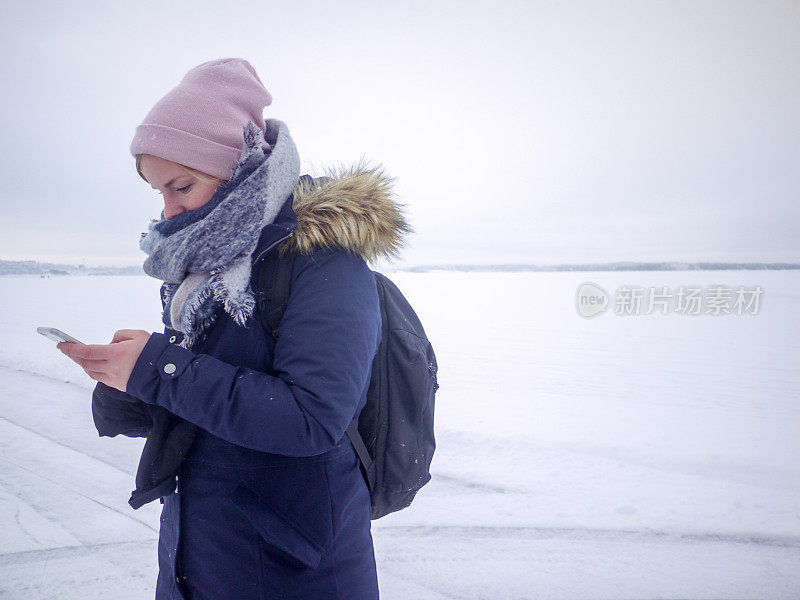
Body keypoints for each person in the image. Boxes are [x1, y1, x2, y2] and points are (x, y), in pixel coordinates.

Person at [58, 57, 410, 600]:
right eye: (159, 193)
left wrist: (161, 368)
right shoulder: (207, 268)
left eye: (181, 185)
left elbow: (311, 418)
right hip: (199, 561)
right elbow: (208, 398)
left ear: (240, 165)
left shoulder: (325, 263)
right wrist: (128, 385)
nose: (169, 211)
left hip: (297, 571)